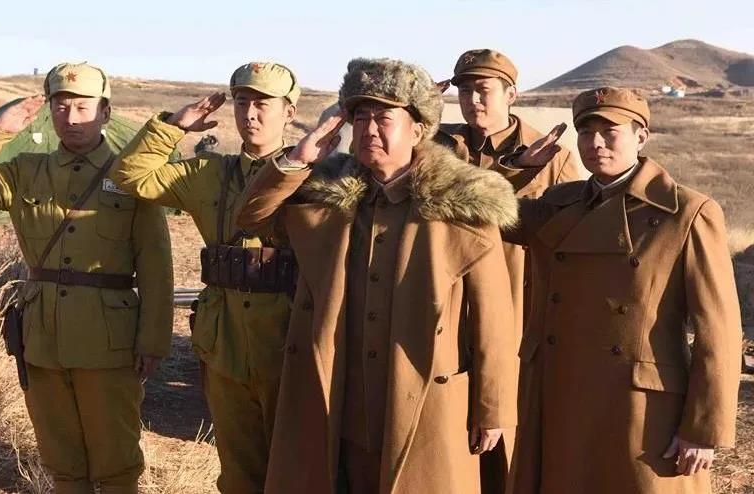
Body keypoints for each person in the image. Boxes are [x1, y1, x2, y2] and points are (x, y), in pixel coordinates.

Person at [236, 57, 519, 494]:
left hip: (423, 404)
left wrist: (492, 408)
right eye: (360, 117)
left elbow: (494, 320)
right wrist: (299, 158)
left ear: (418, 130)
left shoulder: (465, 205)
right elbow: (252, 217)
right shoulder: (324, 196)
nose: (369, 129)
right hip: (338, 404)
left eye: (384, 118)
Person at [505, 87, 742, 494]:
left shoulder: (685, 212)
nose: (595, 143)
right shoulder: (558, 205)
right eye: (585, 132)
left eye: (609, 131)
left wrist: (703, 429)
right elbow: (481, 212)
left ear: (640, 136)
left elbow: (718, 330)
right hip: (560, 394)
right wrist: (518, 168)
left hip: (642, 412)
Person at [0, 62, 174, 494]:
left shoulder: (129, 175)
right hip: (42, 339)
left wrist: (153, 341)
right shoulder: (26, 171)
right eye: (61, 107)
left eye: (83, 107)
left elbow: (155, 265)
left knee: (116, 464)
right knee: (62, 463)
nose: (71, 118)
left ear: (105, 112)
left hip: (108, 341)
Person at [112, 62, 300, 493]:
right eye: (242, 102)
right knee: (238, 471)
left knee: (296, 468)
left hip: (289, 338)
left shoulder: (314, 174)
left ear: (289, 111)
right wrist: (173, 128)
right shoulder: (208, 174)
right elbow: (130, 175)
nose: (250, 113)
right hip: (226, 339)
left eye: (263, 103)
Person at [436, 48, 583, 492]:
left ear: (511, 94)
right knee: (447, 432)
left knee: (509, 430)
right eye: (464, 91)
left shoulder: (551, 156)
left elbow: (572, 238)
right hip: (446, 304)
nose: (472, 100)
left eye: (483, 90)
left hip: (519, 308)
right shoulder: (439, 148)